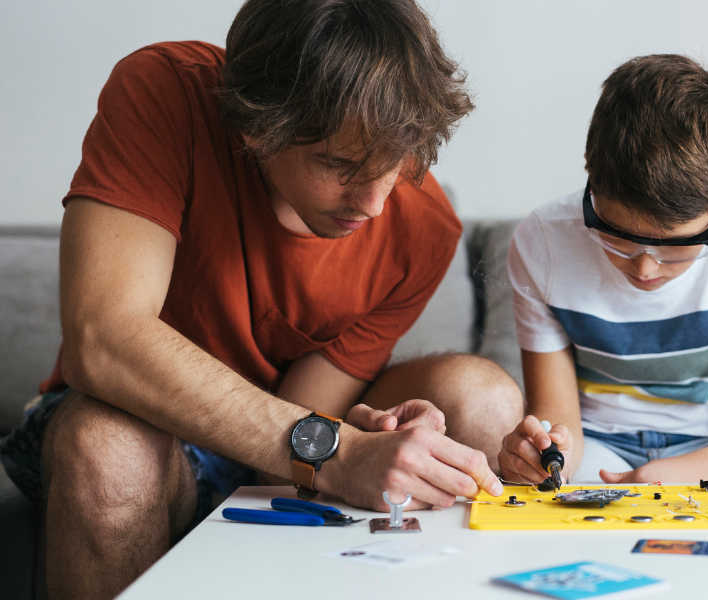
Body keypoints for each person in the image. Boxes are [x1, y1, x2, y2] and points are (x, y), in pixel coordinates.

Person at [0, 1, 522, 598]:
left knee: (481, 400)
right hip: (127, 423)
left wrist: (362, 437)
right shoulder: (167, 91)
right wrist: (341, 453)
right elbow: (104, 340)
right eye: (339, 164)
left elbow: (280, 452)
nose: (374, 204)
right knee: (111, 448)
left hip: (273, 437)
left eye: (394, 166)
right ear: (255, 126)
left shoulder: (424, 226)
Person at [497, 54, 708, 488]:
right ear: (590, 171)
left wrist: (689, 472)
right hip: (599, 446)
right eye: (615, 234)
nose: (644, 267)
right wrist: (546, 457)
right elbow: (561, 420)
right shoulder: (543, 243)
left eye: (676, 245)